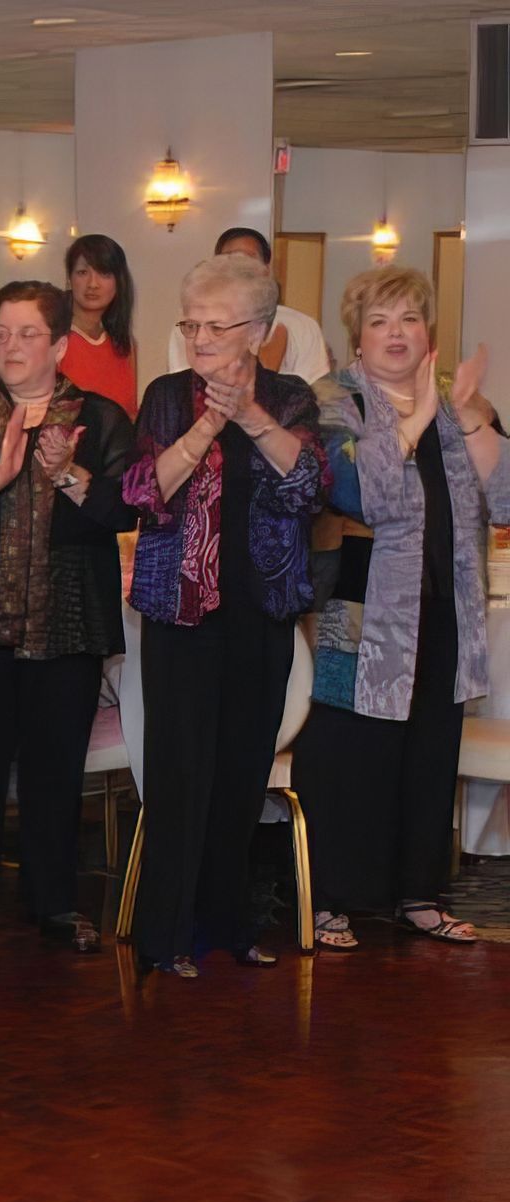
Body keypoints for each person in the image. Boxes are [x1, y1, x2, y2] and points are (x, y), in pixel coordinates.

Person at [0, 281, 136, 953]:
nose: (10, 346)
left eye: (27, 333)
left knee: (54, 771)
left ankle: (56, 904)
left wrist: (68, 474)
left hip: (66, 624)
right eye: (2, 332)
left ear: (60, 344)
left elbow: (125, 508)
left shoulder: (97, 419)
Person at [122, 254, 327, 977]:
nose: (200, 337)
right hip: (181, 611)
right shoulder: (168, 396)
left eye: (217, 324)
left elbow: (308, 484)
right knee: (180, 775)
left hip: (263, 608)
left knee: (242, 774)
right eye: (191, 322)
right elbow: (143, 491)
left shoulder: (292, 396)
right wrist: (209, 425)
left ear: (261, 330)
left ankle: (228, 927)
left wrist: (250, 415)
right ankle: (165, 935)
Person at [294, 268, 506, 950]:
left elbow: (504, 502)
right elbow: (361, 490)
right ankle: (330, 897)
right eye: (380, 320)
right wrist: (416, 417)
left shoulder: (458, 401)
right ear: (357, 332)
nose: (395, 334)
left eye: (409, 320)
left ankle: (418, 893)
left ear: (429, 334)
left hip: (445, 608)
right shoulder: (333, 400)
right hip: (357, 610)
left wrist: (471, 415)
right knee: (348, 755)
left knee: (427, 754)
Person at [166, 227, 331, 383]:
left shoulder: (302, 326)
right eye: (229, 260)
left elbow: (314, 394)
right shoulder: (190, 328)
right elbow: (183, 387)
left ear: (266, 269)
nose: (238, 269)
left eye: (247, 259)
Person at [59, 234, 139, 418]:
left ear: (119, 282)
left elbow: (130, 414)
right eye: (82, 272)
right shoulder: (53, 339)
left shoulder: (125, 344)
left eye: (104, 273)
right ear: (69, 279)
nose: (93, 284)